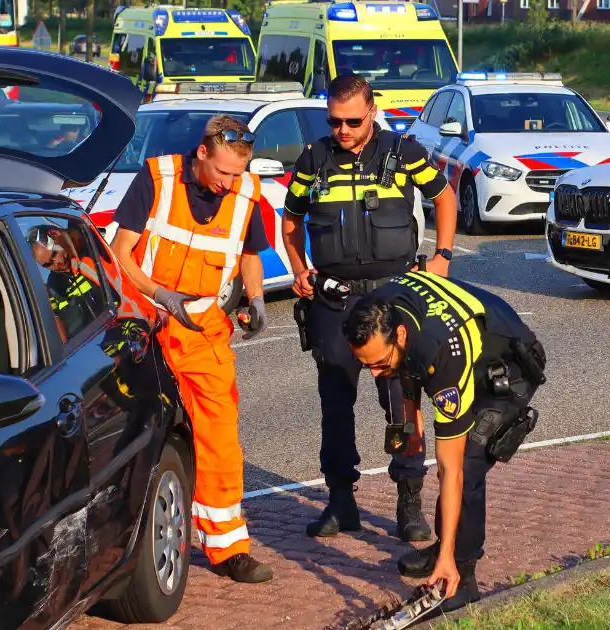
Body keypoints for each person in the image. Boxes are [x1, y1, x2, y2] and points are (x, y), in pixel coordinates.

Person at [280, 73, 461, 542]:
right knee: (335, 405)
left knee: (402, 403)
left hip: (394, 297)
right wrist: (300, 268)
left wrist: (441, 256)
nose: (342, 130)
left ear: (372, 112)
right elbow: (292, 218)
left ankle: (409, 504)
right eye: (335, 121)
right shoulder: (313, 159)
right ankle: (341, 502)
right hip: (334, 300)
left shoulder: (404, 153)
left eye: (352, 121)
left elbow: (444, 196)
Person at [110, 114, 274, 583]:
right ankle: (126, 543)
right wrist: (161, 297)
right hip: (143, 320)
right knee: (130, 431)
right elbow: (121, 253)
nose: (228, 184)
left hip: (201, 328)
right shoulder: (158, 178)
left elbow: (248, 253)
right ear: (202, 153)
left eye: (237, 174)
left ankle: (227, 548)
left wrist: (257, 297)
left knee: (220, 435)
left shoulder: (245, 192)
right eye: (223, 172)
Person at [343, 269, 547, 612]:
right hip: (464, 348)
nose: (376, 373)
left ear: (401, 334)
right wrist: (410, 420)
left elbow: (449, 471)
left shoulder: (441, 354)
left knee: (468, 462)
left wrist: (450, 556)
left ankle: (460, 575)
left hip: (508, 367)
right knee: (458, 463)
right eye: (367, 366)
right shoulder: (380, 308)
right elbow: (405, 365)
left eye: (379, 363)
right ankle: (444, 550)